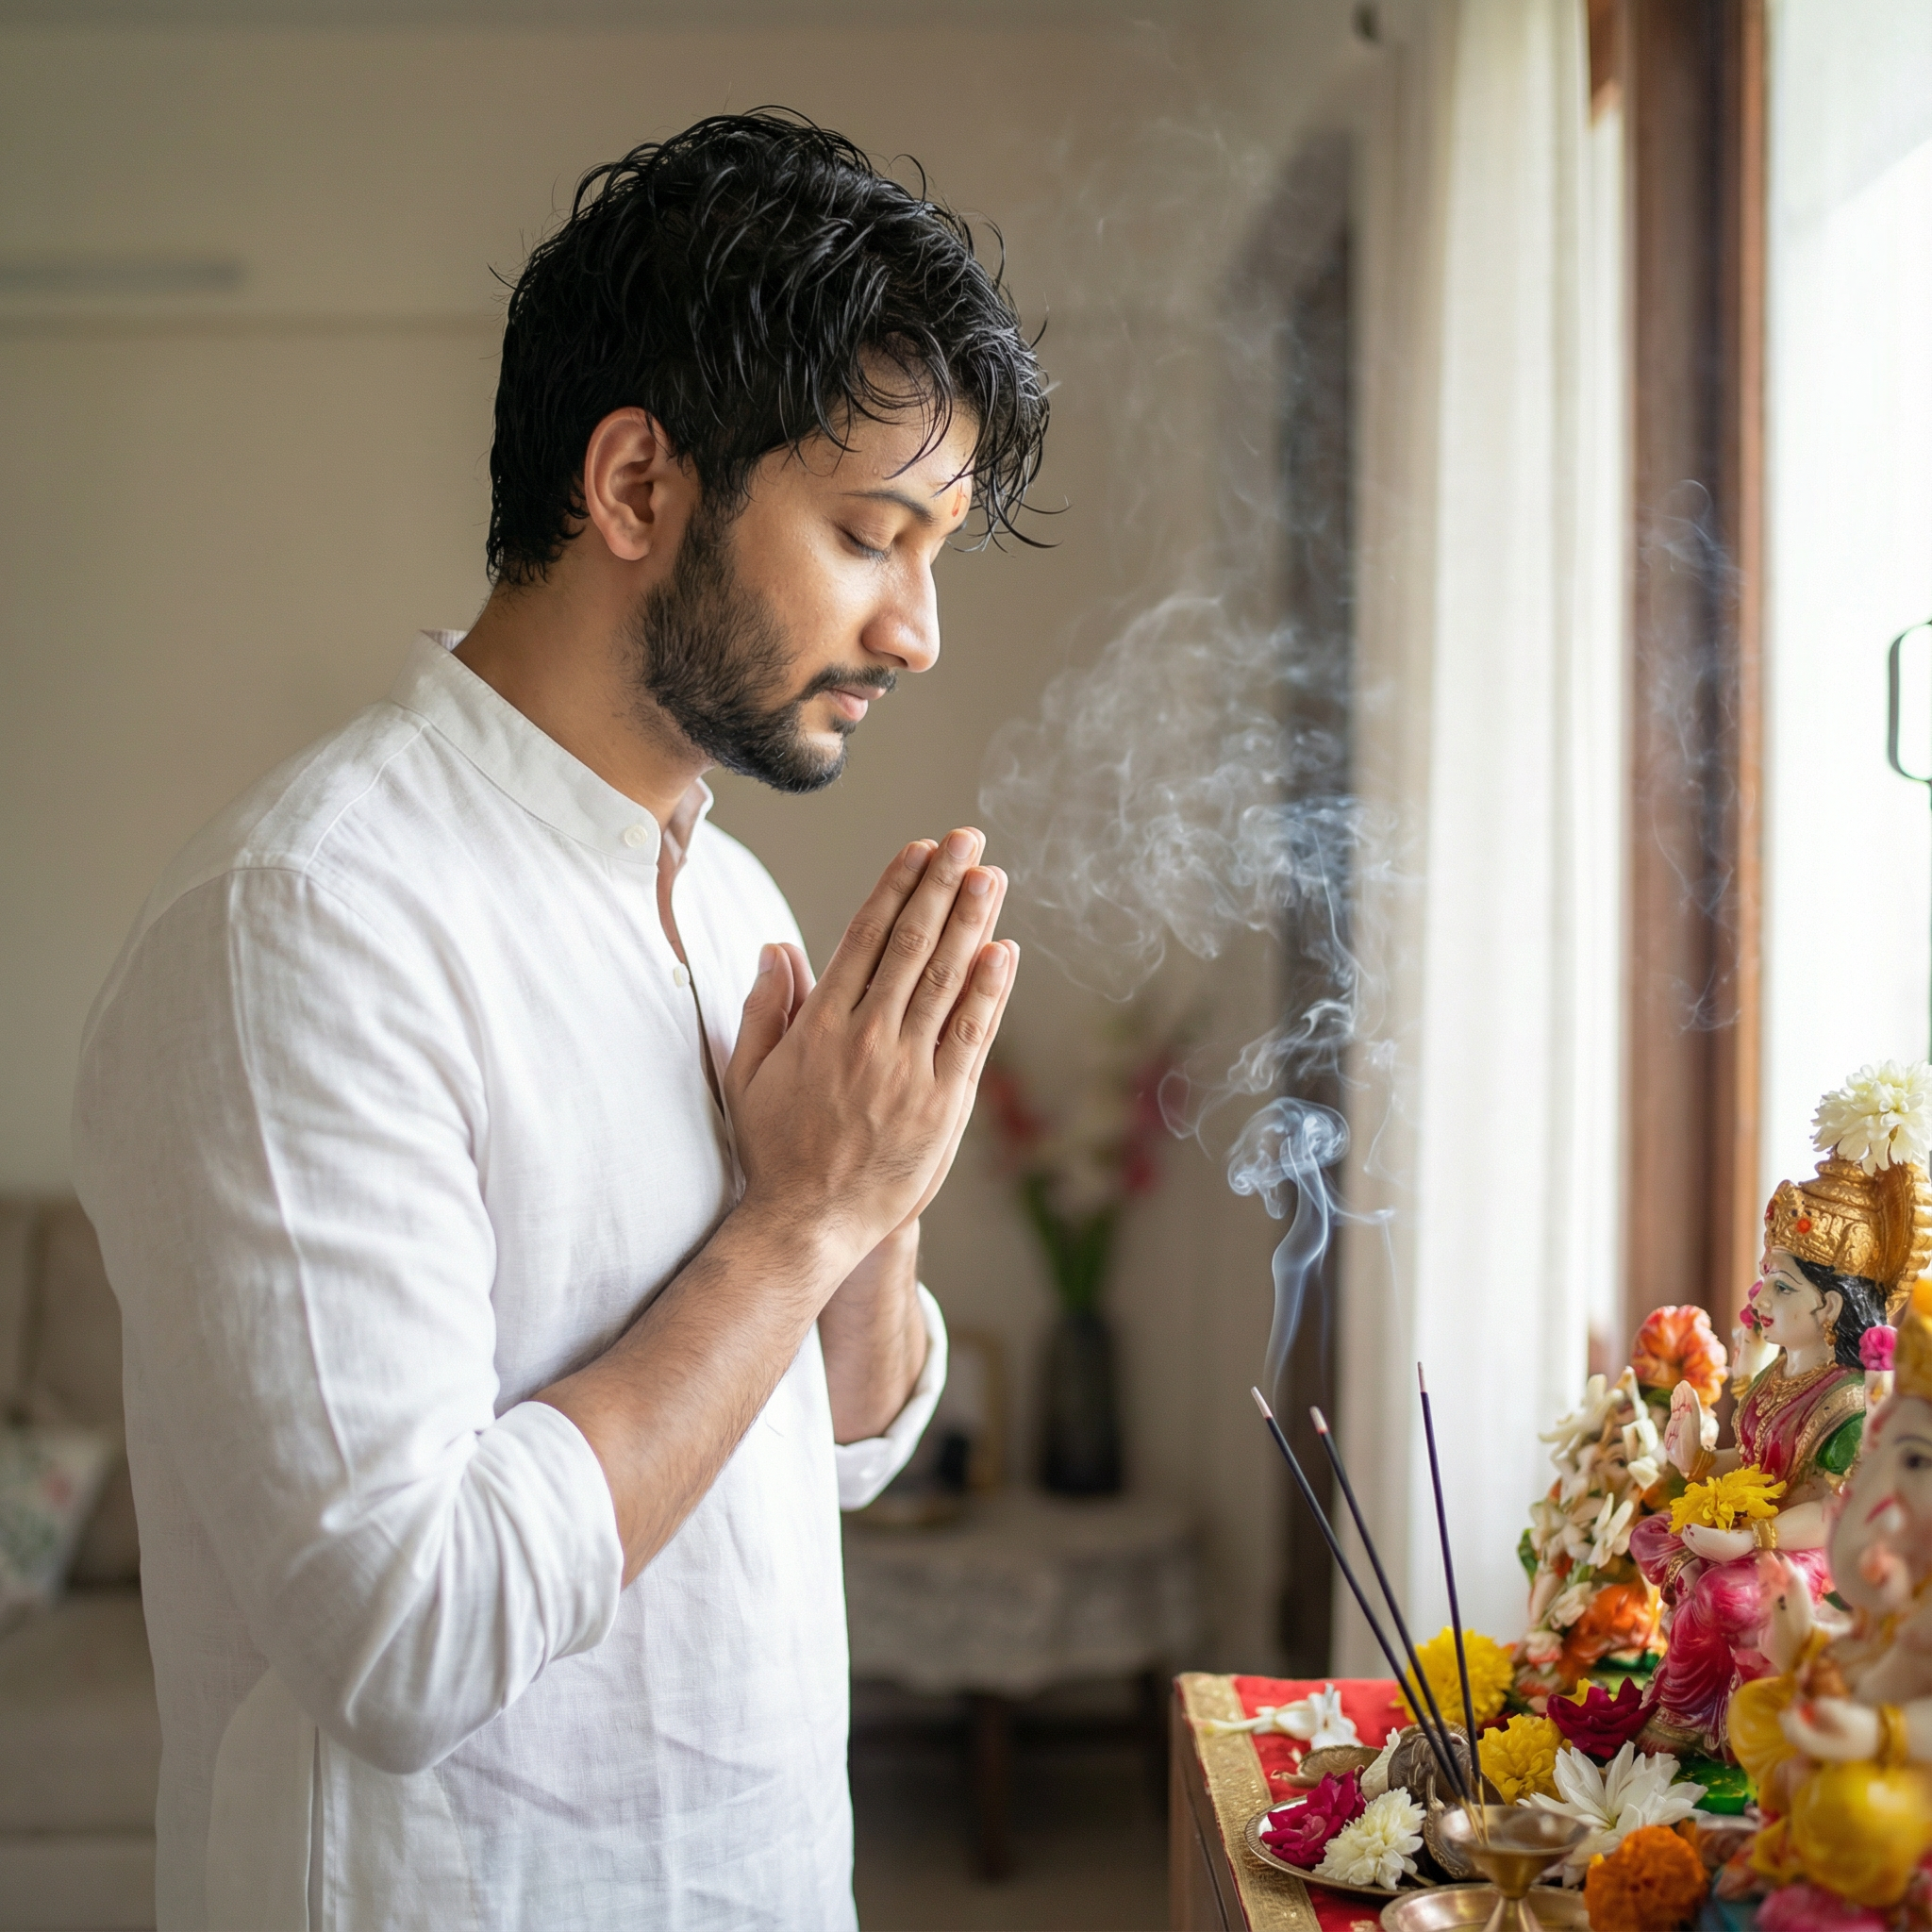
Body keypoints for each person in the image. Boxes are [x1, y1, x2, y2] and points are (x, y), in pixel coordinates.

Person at [71, 113, 1049, 1931]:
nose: (915, 629)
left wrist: (882, 1182)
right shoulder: (306, 919)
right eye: (867, 535)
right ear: (632, 487)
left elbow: (831, 1441)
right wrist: (798, 1215)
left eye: (936, 553)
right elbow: (406, 1630)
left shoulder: (732, 896)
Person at [1630, 1066, 1932, 1757]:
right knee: (1652, 1536)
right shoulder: (1778, 1375)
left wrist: (1749, 1544)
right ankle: (1697, 1701)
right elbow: (1754, 1462)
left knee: (1724, 1598)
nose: (1760, 1294)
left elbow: (1827, 1512)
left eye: (1781, 1284)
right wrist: (1699, 1457)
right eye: (1766, 1274)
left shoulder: (1849, 1401)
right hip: (1751, 1527)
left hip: (1801, 1556)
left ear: (1828, 1308)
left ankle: (1698, 1720)